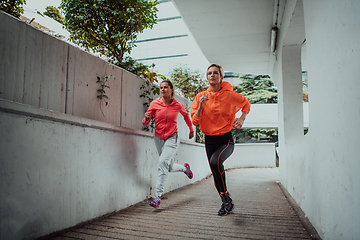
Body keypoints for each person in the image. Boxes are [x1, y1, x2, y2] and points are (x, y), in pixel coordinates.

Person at [191, 64, 250, 216]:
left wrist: (242, 119)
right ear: (207, 77)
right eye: (209, 73)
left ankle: (227, 199)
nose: (212, 75)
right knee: (215, 170)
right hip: (209, 140)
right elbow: (195, 121)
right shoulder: (200, 97)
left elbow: (246, 104)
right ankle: (225, 202)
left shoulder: (229, 95)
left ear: (221, 77)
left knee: (215, 162)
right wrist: (200, 107)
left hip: (226, 140)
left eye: (215, 73)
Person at [143, 80, 195, 209]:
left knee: (162, 163)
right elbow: (145, 122)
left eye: (165, 87)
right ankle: (185, 168)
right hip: (158, 138)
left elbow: (186, 116)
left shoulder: (178, 105)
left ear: (171, 90)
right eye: (161, 88)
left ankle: (157, 196)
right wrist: (146, 117)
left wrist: (191, 129)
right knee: (169, 167)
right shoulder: (155, 104)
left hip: (172, 137)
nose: (163, 89)